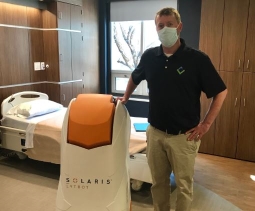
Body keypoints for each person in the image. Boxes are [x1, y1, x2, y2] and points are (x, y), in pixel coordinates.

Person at [118, 7, 227, 211]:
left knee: (184, 186)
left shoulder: (197, 60)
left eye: (170, 24)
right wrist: (126, 97)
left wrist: (206, 124)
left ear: (180, 27)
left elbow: (221, 91)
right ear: (156, 28)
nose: (165, 29)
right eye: (161, 25)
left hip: (184, 137)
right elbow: (135, 76)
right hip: (156, 133)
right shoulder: (150, 56)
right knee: (159, 183)